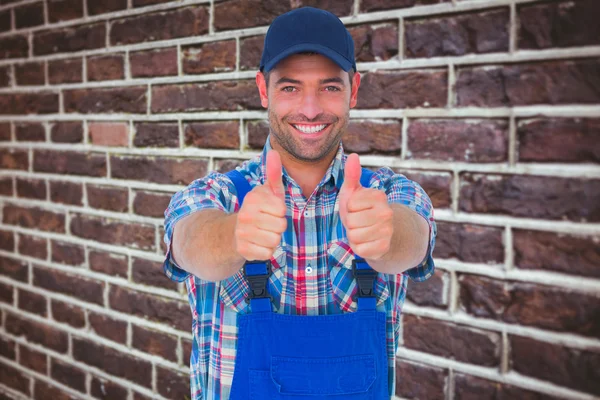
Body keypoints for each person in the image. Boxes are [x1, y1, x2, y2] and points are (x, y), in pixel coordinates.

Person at [162, 6, 437, 400]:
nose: (310, 109)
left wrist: (388, 235)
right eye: (290, 87)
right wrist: (233, 235)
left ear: (354, 90)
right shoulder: (216, 196)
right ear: (263, 90)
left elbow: (416, 237)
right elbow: (189, 242)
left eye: (330, 87)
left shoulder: (387, 195)